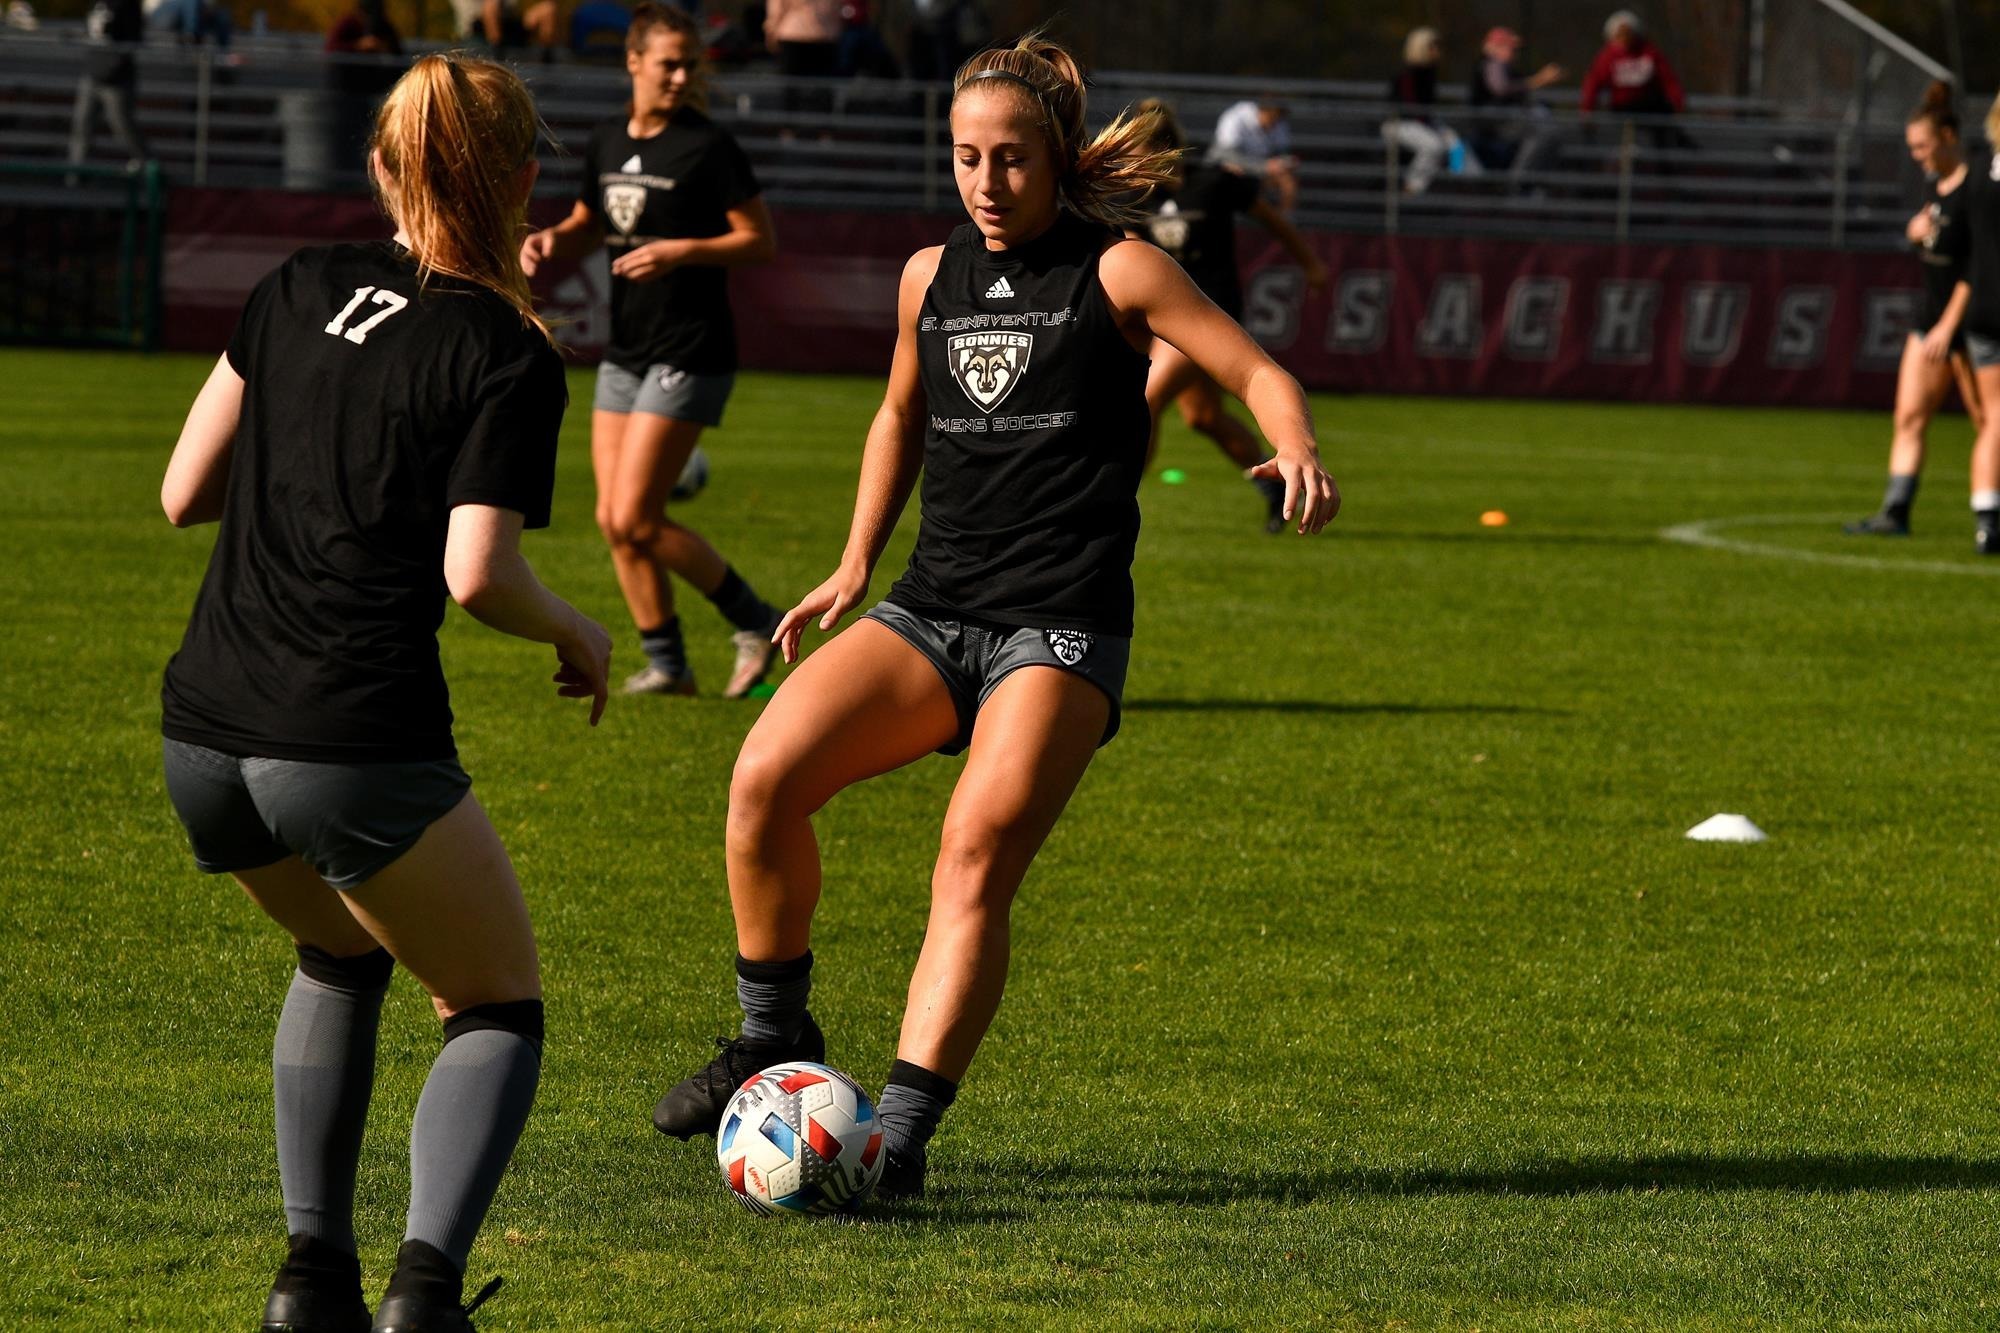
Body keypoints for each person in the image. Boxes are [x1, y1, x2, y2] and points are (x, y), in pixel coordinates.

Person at [646, 32, 1338, 1200]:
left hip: (1056, 628)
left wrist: (1297, 447)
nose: (984, 182)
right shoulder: (930, 274)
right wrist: (855, 560)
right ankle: (770, 1033)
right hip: (933, 607)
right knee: (762, 775)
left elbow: (1258, 371)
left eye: (1008, 159)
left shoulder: (1120, 271)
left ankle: (897, 1141)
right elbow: (896, 418)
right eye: (965, 157)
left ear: (1054, 156)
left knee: (969, 855)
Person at [159, 53, 611, 1333]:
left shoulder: (295, 280)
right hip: (346, 732)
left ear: (382, 169)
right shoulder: (504, 348)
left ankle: (310, 1284)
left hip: (202, 733)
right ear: (525, 186)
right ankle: (424, 1298)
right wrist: (573, 627)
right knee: (493, 1005)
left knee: (340, 951)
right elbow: (479, 574)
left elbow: (183, 491)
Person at [521, 3, 785, 697]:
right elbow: (588, 223)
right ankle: (668, 663)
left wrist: (681, 250)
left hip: (692, 348)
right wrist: (553, 239)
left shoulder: (708, 146)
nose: (680, 75)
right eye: (667, 62)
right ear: (632, 61)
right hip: (628, 346)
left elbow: (759, 240)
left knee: (634, 515)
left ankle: (757, 620)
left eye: (688, 64)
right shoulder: (608, 139)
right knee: (615, 521)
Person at [1129, 97, 1328, 532]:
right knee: (1202, 418)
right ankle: (1275, 486)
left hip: (1210, 313)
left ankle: (1116, 504)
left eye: (1137, 154)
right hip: (1166, 321)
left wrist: (1310, 263)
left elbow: (1273, 221)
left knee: (1147, 398)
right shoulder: (1140, 197)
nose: (1131, 165)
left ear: (1159, 149)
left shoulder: (1214, 182)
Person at [1848, 82, 1985, 538]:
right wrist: (1914, 235)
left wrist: (1951, 325)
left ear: (1948, 135)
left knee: (1989, 424)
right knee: (1908, 416)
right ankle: (1896, 511)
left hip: (1971, 325)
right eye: (1911, 147)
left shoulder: (1978, 188)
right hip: (1931, 321)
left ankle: (1990, 511)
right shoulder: (1937, 189)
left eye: (1922, 145)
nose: (1916, 155)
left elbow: (1980, 266)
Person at [1933, 93, 2000, 553]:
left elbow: (1950, 240)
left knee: (1992, 418)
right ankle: (1988, 520)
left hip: (1982, 308)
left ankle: (1987, 515)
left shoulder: (1978, 169)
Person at [1579, 10, 1689, 153]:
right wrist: (1587, 109)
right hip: (1622, 108)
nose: (1625, 38)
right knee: (1624, 144)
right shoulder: (1608, 57)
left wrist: (1678, 101)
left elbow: (1668, 79)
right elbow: (1593, 83)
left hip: (1649, 107)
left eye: (1628, 33)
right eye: (1620, 34)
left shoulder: (1648, 53)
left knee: (1663, 134)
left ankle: (1666, 164)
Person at [1384, 28, 1477, 195]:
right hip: (1401, 123)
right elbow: (1409, 107)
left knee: (1456, 145)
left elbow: (1426, 108)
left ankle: (1464, 184)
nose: (1437, 51)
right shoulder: (1408, 74)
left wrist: (1430, 123)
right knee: (1433, 146)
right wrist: (1428, 123)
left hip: (1424, 121)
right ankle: (1411, 189)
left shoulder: (1430, 73)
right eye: (1433, 47)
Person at [1467, 26, 1562, 185]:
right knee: (1544, 133)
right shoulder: (1491, 63)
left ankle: (1525, 181)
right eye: (1511, 48)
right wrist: (1540, 79)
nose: (1514, 53)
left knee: (1548, 132)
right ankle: (1518, 182)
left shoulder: (1503, 66)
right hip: (1493, 122)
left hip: (1504, 120)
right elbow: (1501, 89)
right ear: (1497, 47)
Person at [68, 0, 149, 171]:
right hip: (92, 74)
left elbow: (135, 39)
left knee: (122, 126)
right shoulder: (97, 3)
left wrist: (115, 63)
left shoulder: (128, 5)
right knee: (81, 125)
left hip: (116, 79)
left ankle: (147, 166)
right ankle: (75, 173)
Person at [1209, 94, 1298, 214]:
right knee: (1233, 170)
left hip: (1259, 172)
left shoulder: (1278, 122)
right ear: (1262, 111)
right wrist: (1264, 166)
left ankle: (1284, 221)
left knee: (1287, 181)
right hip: (1230, 169)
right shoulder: (1235, 117)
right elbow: (1225, 155)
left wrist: (1285, 162)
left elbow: (1281, 152)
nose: (1275, 123)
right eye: (1272, 117)